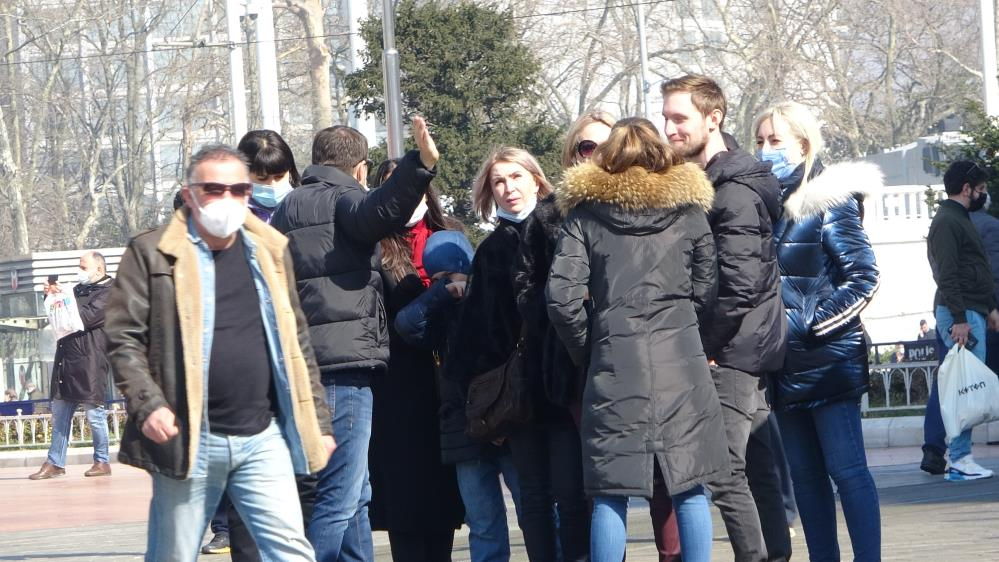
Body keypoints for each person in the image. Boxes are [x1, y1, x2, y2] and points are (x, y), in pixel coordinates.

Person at [106, 144, 335, 562]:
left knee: (292, 551)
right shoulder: (153, 252)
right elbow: (123, 338)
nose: (226, 199)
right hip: (190, 438)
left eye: (238, 189)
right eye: (213, 189)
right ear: (190, 193)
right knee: (174, 554)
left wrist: (318, 421)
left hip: (262, 437)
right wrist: (149, 404)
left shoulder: (271, 249)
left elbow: (296, 343)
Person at [546, 117, 728, 562]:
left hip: (614, 361)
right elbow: (707, 287)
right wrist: (688, 330)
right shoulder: (689, 214)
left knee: (611, 491)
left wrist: (588, 347)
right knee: (690, 485)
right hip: (682, 363)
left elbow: (560, 297)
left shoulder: (585, 216)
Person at [269, 117, 439, 562]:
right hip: (344, 364)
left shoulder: (289, 206)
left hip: (306, 362)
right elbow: (380, 212)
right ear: (360, 169)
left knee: (355, 493)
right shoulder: (343, 198)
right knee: (339, 499)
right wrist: (419, 166)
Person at [662, 74, 790, 562]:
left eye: (680, 118)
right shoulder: (709, 182)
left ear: (712, 118)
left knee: (722, 469)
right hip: (743, 344)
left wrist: (705, 346)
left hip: (733, 348)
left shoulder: (731, 191)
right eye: (666, 117)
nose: (670, 128)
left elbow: (739, 285)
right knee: (756, 465)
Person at [757, 101, 882, 561]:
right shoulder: (763, 206)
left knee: (848, 472)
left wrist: (807, 326)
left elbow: (864, 277)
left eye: (776, 141)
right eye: (761, 141)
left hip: (828, 362)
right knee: (806, 479)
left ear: (803, 145)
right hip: (784, 366)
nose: (766, 150)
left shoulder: (831, 199)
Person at [510, 112, 612, 562]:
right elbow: (527, 293)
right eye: (586, 148)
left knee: (633, 485)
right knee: (571, 494)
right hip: (564, 372)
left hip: (626, 363)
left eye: (606, 147)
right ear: (572, 155)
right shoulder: (548, 219)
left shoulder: (644, 210)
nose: (597, 157)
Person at [445, 146, 555, 562]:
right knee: (535, 504)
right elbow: (479, 337)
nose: (509, 188)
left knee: (572, 499)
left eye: (516, 177)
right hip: (522, 394)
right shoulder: (492, 250)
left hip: (564, 384)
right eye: (498, 181)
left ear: (536, 179)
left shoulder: (563, 229)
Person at [368, 162, 465, 560]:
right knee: (406, 507)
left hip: (450, 384)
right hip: (400, 388)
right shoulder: (373, 245)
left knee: (444, 506)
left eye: (415, 187)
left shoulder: (451, 234)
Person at [922, 160, 999, 481]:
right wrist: (959, 319)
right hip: (962, 314)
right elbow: (948, 274)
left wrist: (988, 309)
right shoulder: (948, 222)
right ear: (966, 189)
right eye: (980, 189)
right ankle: (959, 458)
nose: (983, 194)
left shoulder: (956, 219)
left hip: (969, 311)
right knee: (964, 389)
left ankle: (959, 457)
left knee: (964, 385)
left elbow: (972, 270)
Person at [28, 252, 114, 480]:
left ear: (99, 269)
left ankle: (102, 461)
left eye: (83, 266)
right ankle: (55, 462)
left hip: (90, 360)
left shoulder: (110, 291)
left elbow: (84, 318)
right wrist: (53, 296)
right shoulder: (77, 290)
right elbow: (61, 316)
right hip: (66, 358)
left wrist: (64, 296)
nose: (80, 270)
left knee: (94, 413)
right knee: (60, 412)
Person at [238, 129, 301, 223]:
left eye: (279, 176)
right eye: (262, 178)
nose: (272, 185)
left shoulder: (302, 206)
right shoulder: (235, 214)